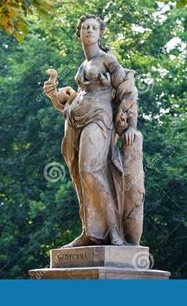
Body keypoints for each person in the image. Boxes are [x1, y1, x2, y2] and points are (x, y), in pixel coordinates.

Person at [43, 14, 144, 247]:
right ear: (79, 32)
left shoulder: (107, 59)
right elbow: (72, 101)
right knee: (80, 177)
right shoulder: (83, 66)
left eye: (94, 28)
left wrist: (131, 126)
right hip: (75, 121)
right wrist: (52, 95)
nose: (89, 31)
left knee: (91, 171)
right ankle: (90, 232)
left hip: (99, 119)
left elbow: (128, 90)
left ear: (100, 33)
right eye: (85, 27)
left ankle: (114, 231)